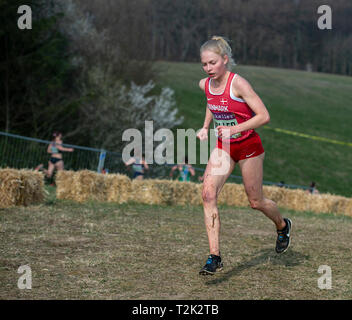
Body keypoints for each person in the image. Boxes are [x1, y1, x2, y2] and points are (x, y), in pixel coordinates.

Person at [196, 36, 292, 275]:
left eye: (212, 63)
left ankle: (282, 226)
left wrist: (234, 129)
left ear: (224, 60)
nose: (208, 68)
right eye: (204, 64)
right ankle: (214, 256)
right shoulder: (205, 84)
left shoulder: (239, 84)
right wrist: (205, 127)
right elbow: (211, 102)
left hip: (248, 146)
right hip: (223, 147)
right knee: (208, 194)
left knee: (255, 202)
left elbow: (264, 116)